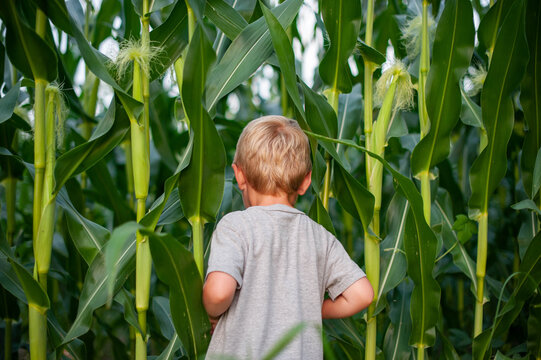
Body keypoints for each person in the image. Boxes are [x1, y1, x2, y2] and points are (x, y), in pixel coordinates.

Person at [202, 115, 374, 360]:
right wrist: (313, 308)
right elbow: (362, 294)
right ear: (305, 182)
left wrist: (210, 314)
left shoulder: (236, 226)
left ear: (239, 176)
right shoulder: (320, 238)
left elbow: (219, 293)